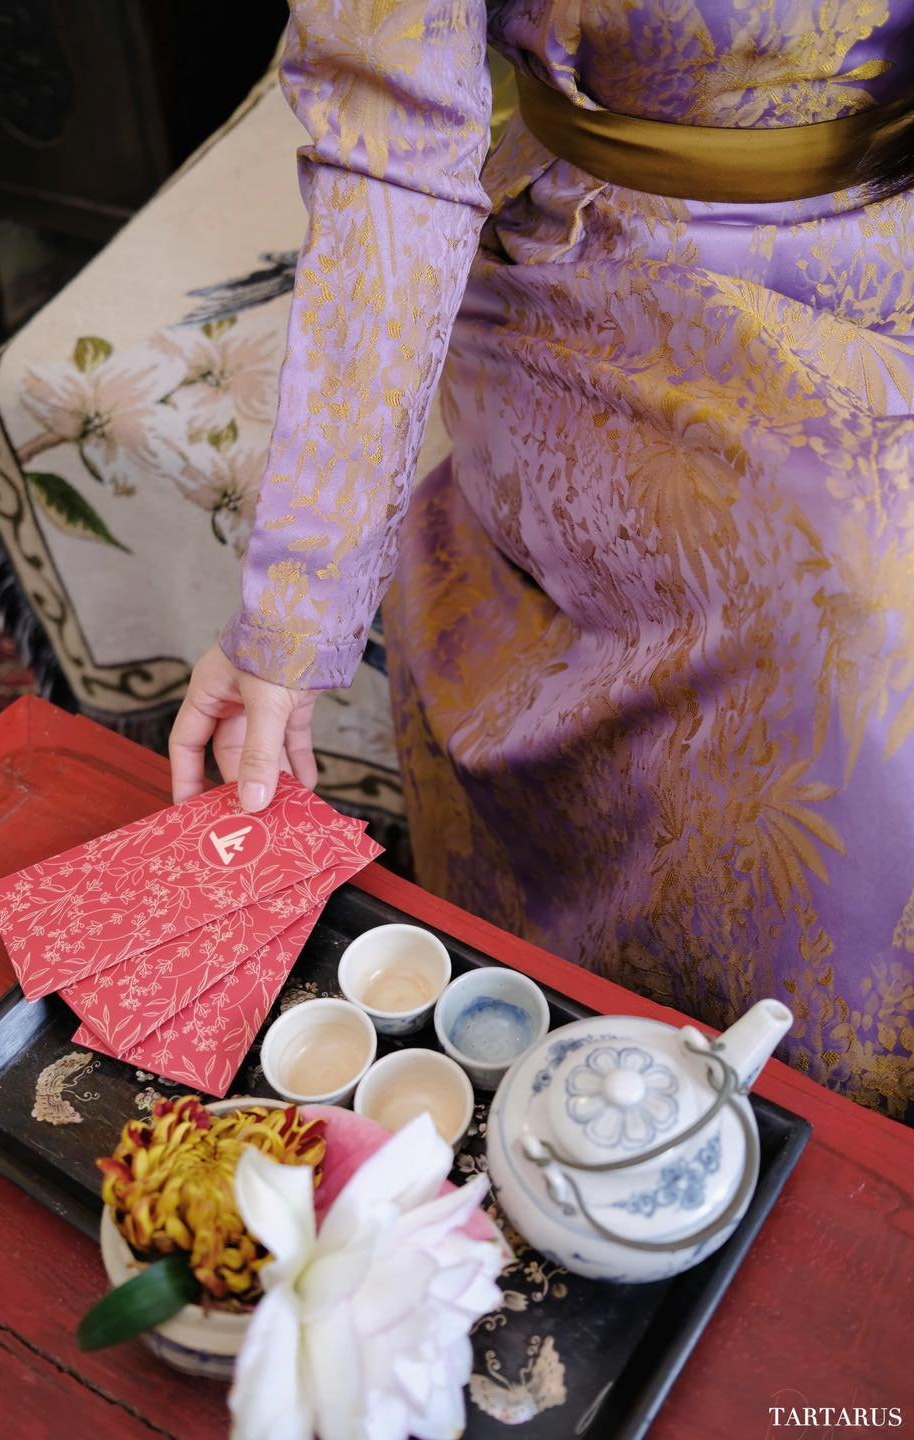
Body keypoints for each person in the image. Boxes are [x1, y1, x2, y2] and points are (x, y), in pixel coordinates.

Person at [168, 0, 914, 1118]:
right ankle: (787, 1120)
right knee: (870, 603)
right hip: (618, 263)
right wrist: (295, 604)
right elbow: (391, 147)